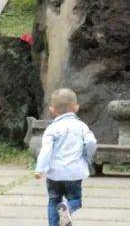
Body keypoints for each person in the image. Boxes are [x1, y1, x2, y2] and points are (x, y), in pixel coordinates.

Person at [35, 88, 98, 226]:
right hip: (74, 172)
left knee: (53, 200)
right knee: (75, 200)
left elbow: (46, 150)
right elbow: (91, 142)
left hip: (54, 173)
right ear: (76, 108)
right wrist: (87, 157)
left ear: (52, 110)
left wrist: (40, 169)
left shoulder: (52, 129)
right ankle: (67, 208)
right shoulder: (81, 126)